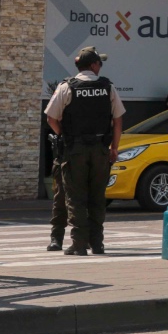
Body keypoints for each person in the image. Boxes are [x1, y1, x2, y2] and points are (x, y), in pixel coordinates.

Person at [43, 47, 124, 255]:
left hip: (75, 150)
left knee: (75, 197)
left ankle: (79, 244)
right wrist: (114, 148)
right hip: (100, 150)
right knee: (97, 196)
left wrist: (65, 135)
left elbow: (51, 118)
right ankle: (97, 243)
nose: (100, 67)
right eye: (100, 63)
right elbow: (117, 120)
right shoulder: (107, 87)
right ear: (94, 65)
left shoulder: (67, 87)